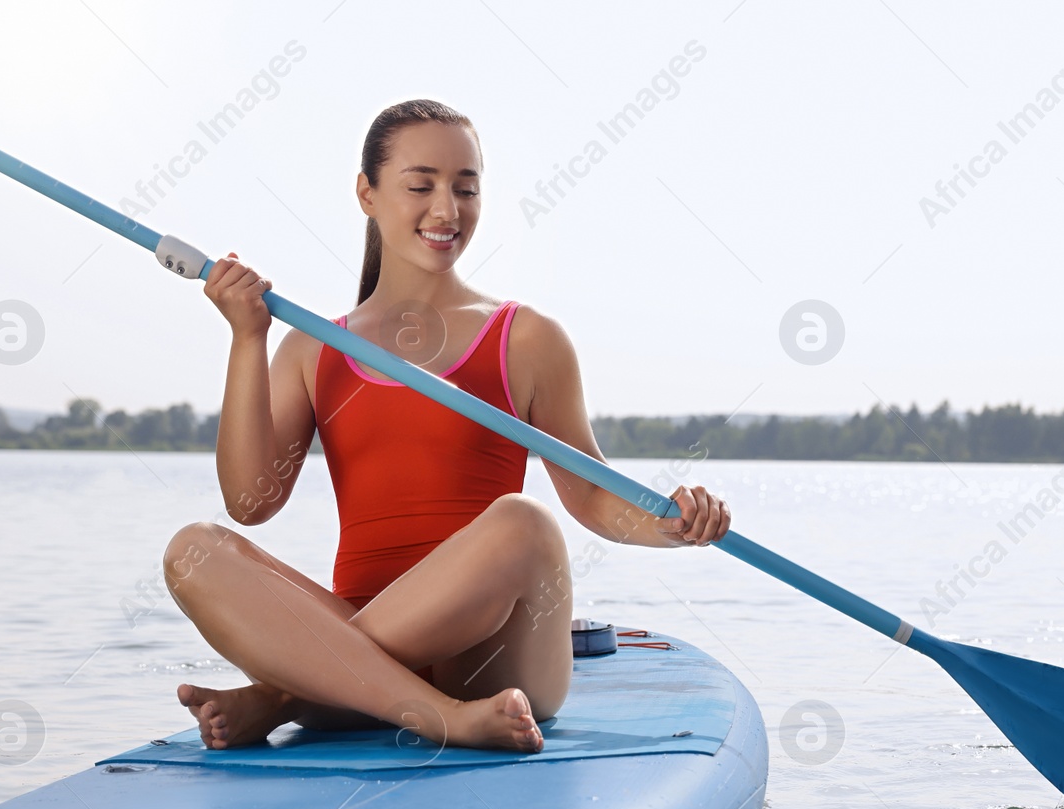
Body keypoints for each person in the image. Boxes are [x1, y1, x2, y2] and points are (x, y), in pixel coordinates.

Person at [164, 99, 730, 754]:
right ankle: (439, 714)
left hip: (492, 663)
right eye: (421, 185)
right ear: (367, 194)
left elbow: (594, 498)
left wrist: (671, 519)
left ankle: (287, 694)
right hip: (353, 650)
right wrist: (247, 337)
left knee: (526, 521)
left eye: (466, 188)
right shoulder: (310, 349)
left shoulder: (528, 340)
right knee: (192, 547)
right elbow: (250, 503)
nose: (446, 211)